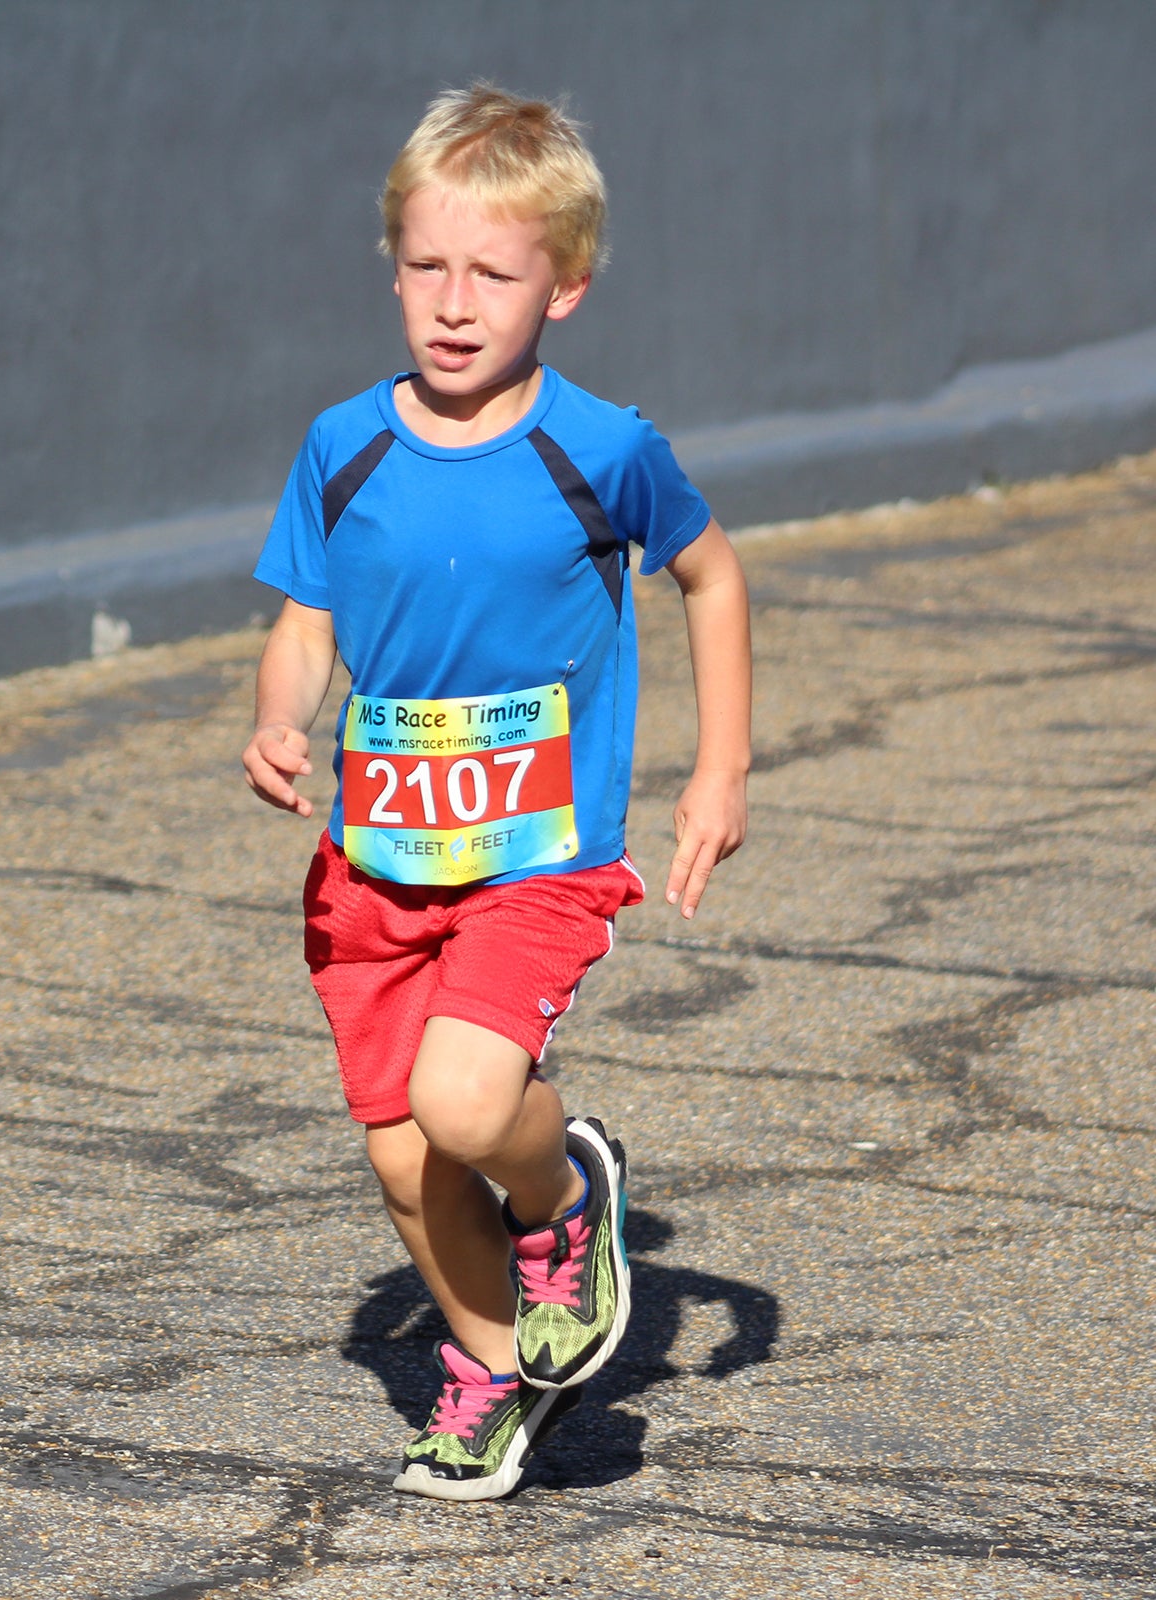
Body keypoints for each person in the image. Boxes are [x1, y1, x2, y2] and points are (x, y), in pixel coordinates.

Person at [242, 83, 751, 1501]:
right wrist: (280, 717)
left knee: (469, 1106)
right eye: (426, 266)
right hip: (374, 863)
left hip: (535, 851)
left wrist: (719, 767)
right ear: (391, 261)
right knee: (407, 1168)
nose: (453, 303)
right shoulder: (342, 445)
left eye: (493, 273)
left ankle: (564, 1196)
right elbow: (304, 617)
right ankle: (488, 1373)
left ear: (565, 286)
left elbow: (710, 574)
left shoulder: (599, 450)